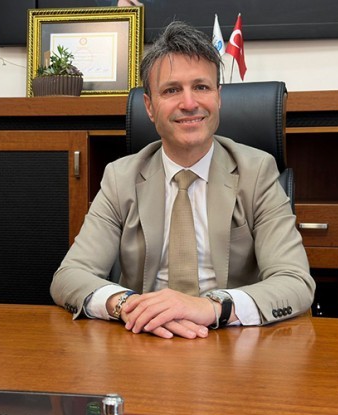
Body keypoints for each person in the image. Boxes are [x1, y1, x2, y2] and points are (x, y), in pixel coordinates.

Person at [50, 21, 314, 339]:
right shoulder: (121, 177)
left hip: (230, 340)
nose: (189, 104)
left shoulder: (257, 172)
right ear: (150, 107)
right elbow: (69, 276)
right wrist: (127, 305)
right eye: (171, 90)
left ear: (218, 97)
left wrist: (212, 308)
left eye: (201, 87)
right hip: (144, 337)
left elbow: (295, 281)